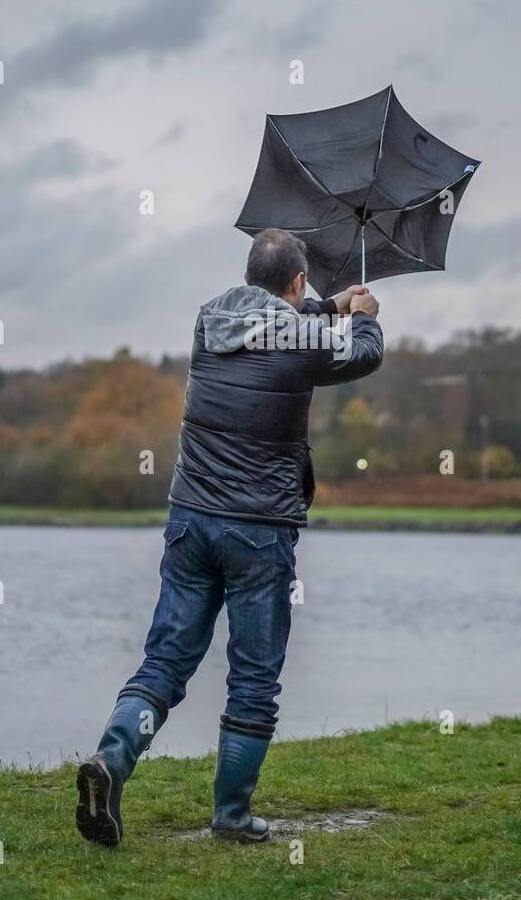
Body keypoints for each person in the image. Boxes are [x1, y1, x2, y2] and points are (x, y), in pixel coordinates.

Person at [76, 228, 383, 845]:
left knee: (164, 659)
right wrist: (365, 316)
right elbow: (361, 357)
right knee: (253, 676)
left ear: (251, 279)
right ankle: (232, 815)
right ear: (297, 283)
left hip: (190, 519)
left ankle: (111, 760)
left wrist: (329, 304)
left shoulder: (207, 321)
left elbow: (273, 322)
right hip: (259, 531)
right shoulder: (301, 339)